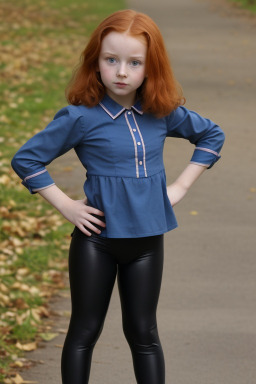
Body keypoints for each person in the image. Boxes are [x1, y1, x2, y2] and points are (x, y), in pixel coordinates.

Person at [11, 9, 225, 384]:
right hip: (97, 241)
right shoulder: (80, 117)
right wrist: (65, 205)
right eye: (111, 60)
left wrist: (180, 186)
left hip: (146, 242)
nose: (122, 71)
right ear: (96, 62)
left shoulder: (161, 111)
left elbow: (211, 135)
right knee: (84, 332)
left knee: (143, 334)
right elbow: (27, 159)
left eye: (134, 62)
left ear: (150, 66)